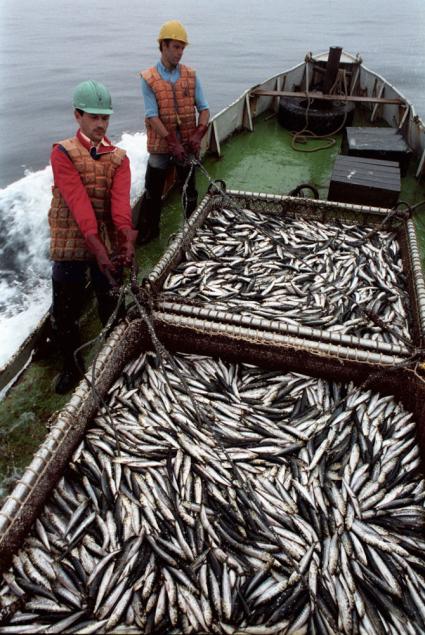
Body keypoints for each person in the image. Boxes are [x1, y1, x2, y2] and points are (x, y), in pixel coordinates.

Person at [48, 79, 138, 394]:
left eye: (105, 118)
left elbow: (119, 205)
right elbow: (77, 203)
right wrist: (95, 245)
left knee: (111, 302)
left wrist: (126, 236)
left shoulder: (119, 157)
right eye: (94, 117)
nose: (101, 124)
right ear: (78, 116)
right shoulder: (63, 153)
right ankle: (72, 367)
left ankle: (120, 354)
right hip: (73, 239)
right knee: (65, 311)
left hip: (105, 241)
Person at [136, 20, 210, 243]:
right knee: (153, 191)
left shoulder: (191, 75)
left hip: (187, 144)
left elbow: (204, 109)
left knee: (190, 190)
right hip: (161, 146)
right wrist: (171, 141)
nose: (179, 53)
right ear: (163, 46)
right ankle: (151, 231)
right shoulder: (149, 78)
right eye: (175, 47)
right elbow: (151, 115)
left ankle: (191, 228)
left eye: (182, 48)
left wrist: (198, 135)